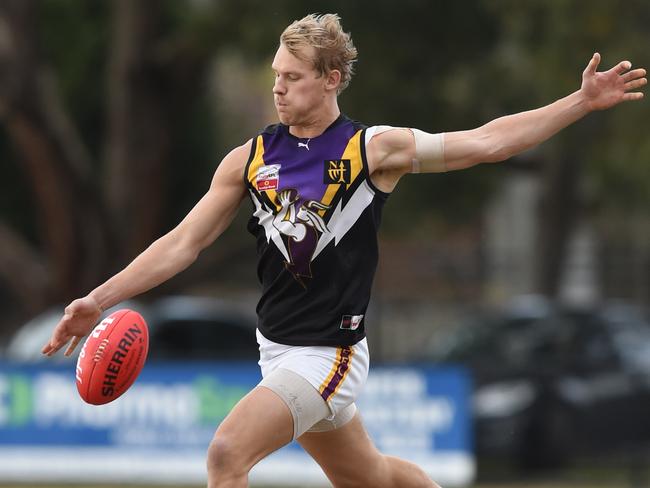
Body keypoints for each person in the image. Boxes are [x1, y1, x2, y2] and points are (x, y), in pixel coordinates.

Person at [42, 13, 645, 488]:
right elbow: (182, 243)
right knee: (372, 478)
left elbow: (486, 143)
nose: (278, 89)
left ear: (331, 79)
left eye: (293, 77)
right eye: (276, 75)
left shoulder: (370, 150)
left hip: (327, 355)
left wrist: (580, 102)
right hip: (276, 353)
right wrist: (98, 298)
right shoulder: (250, 160)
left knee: (227, 454)